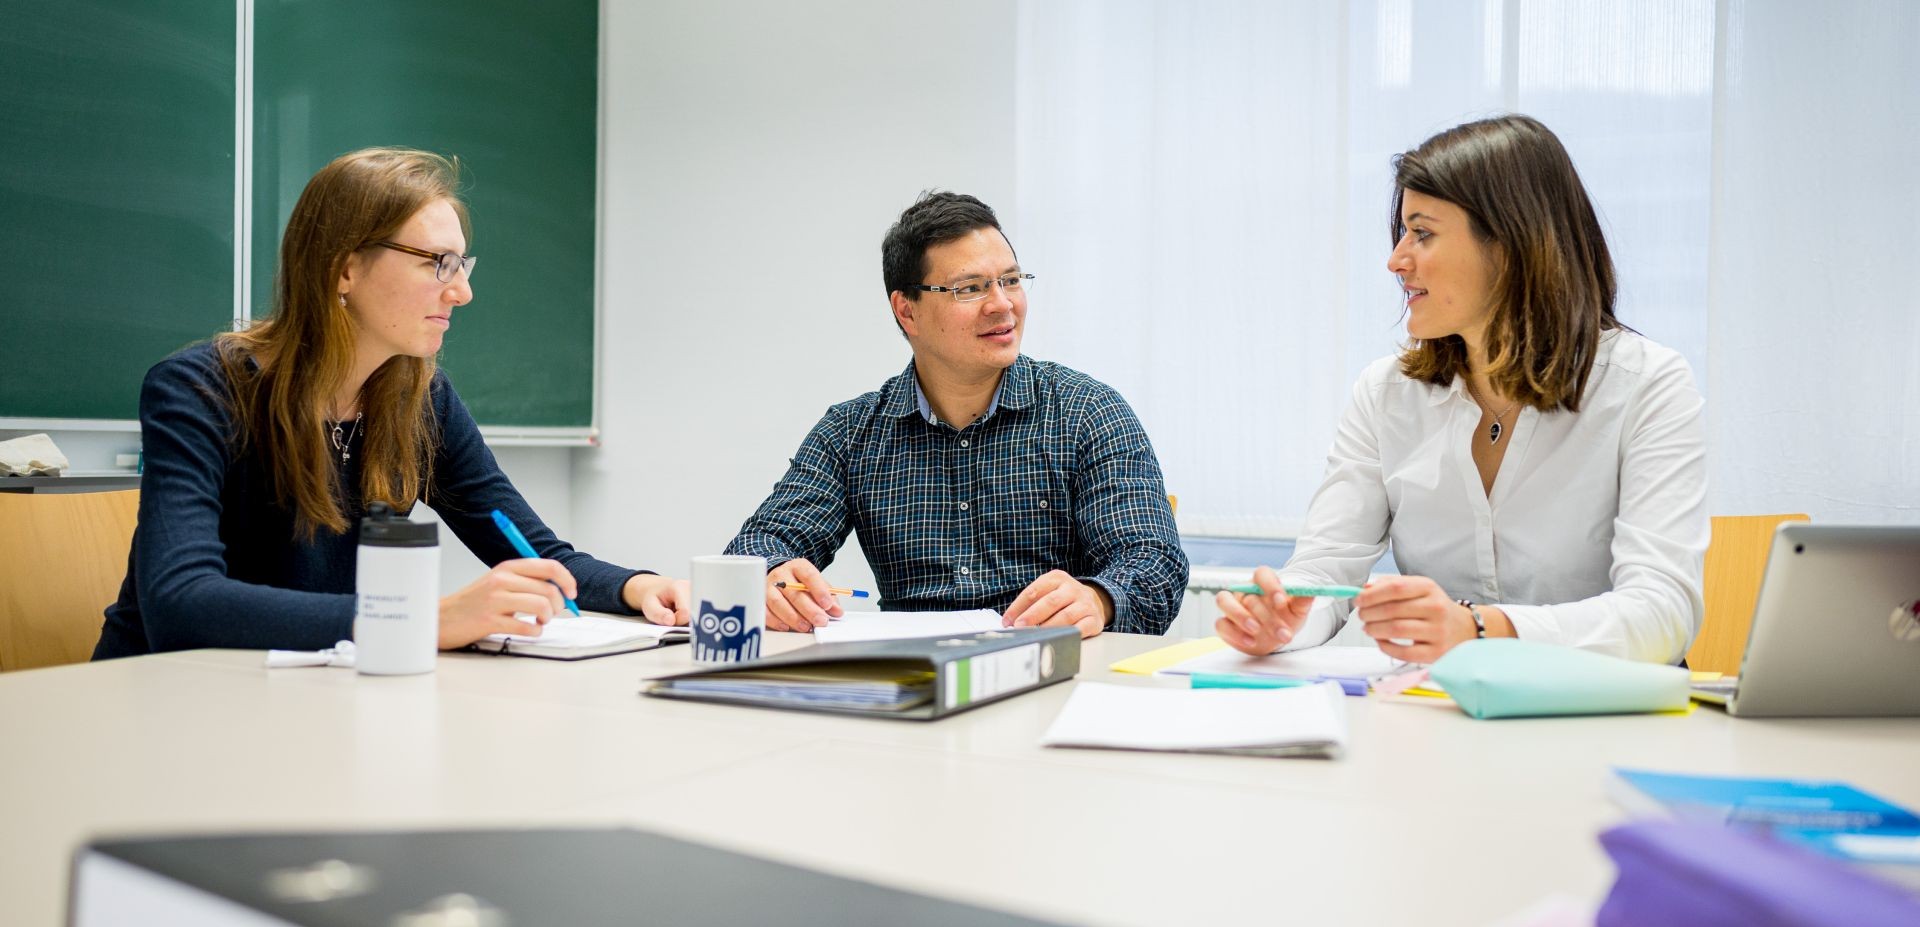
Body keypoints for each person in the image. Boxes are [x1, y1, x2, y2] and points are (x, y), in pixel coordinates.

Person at [93, 147, 689, 659]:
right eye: (438, 264)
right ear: (345, 269)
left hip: (313, 700)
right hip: (173, 702)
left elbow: (533, 552)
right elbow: (181, 603)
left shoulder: (419, 399)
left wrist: (641, 586)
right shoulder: (201, 389)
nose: (463, 291)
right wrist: (422, 621)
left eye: (462, 264)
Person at [1216, 115, 1707, 665]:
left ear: (1512, 243)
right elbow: (1325, 568)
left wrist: (1479, 628)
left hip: (1606, 716)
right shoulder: (1386, 393)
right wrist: (1284, 620)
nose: (1397, 259)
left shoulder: (1649, 386)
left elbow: (1663, 614)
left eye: (1422, 233)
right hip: (1443, 712)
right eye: (1402, 232)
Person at [724, 192, 1188, 638]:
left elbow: (1153, 562)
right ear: (907, 311)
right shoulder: (852, 433)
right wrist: (772, 577)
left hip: (1055, 674)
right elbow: (757, 548)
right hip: (912, 682)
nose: (1003, 304)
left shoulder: (1088, 412)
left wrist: (1099, 598)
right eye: (971, 288)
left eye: (1010, 280)